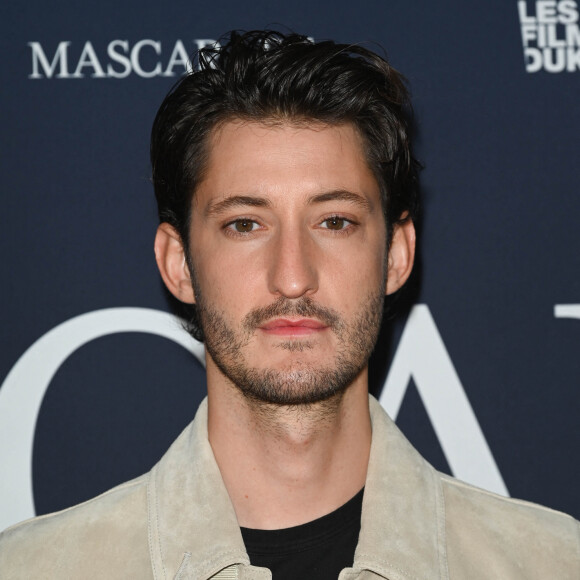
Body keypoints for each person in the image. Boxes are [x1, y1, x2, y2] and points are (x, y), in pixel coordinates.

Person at [0, 30, 578, 580]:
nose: (293, 276)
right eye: (245, 224)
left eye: (335, 221)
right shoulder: (34, 568)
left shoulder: (551, 564)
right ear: (179, 263)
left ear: (398, 254)